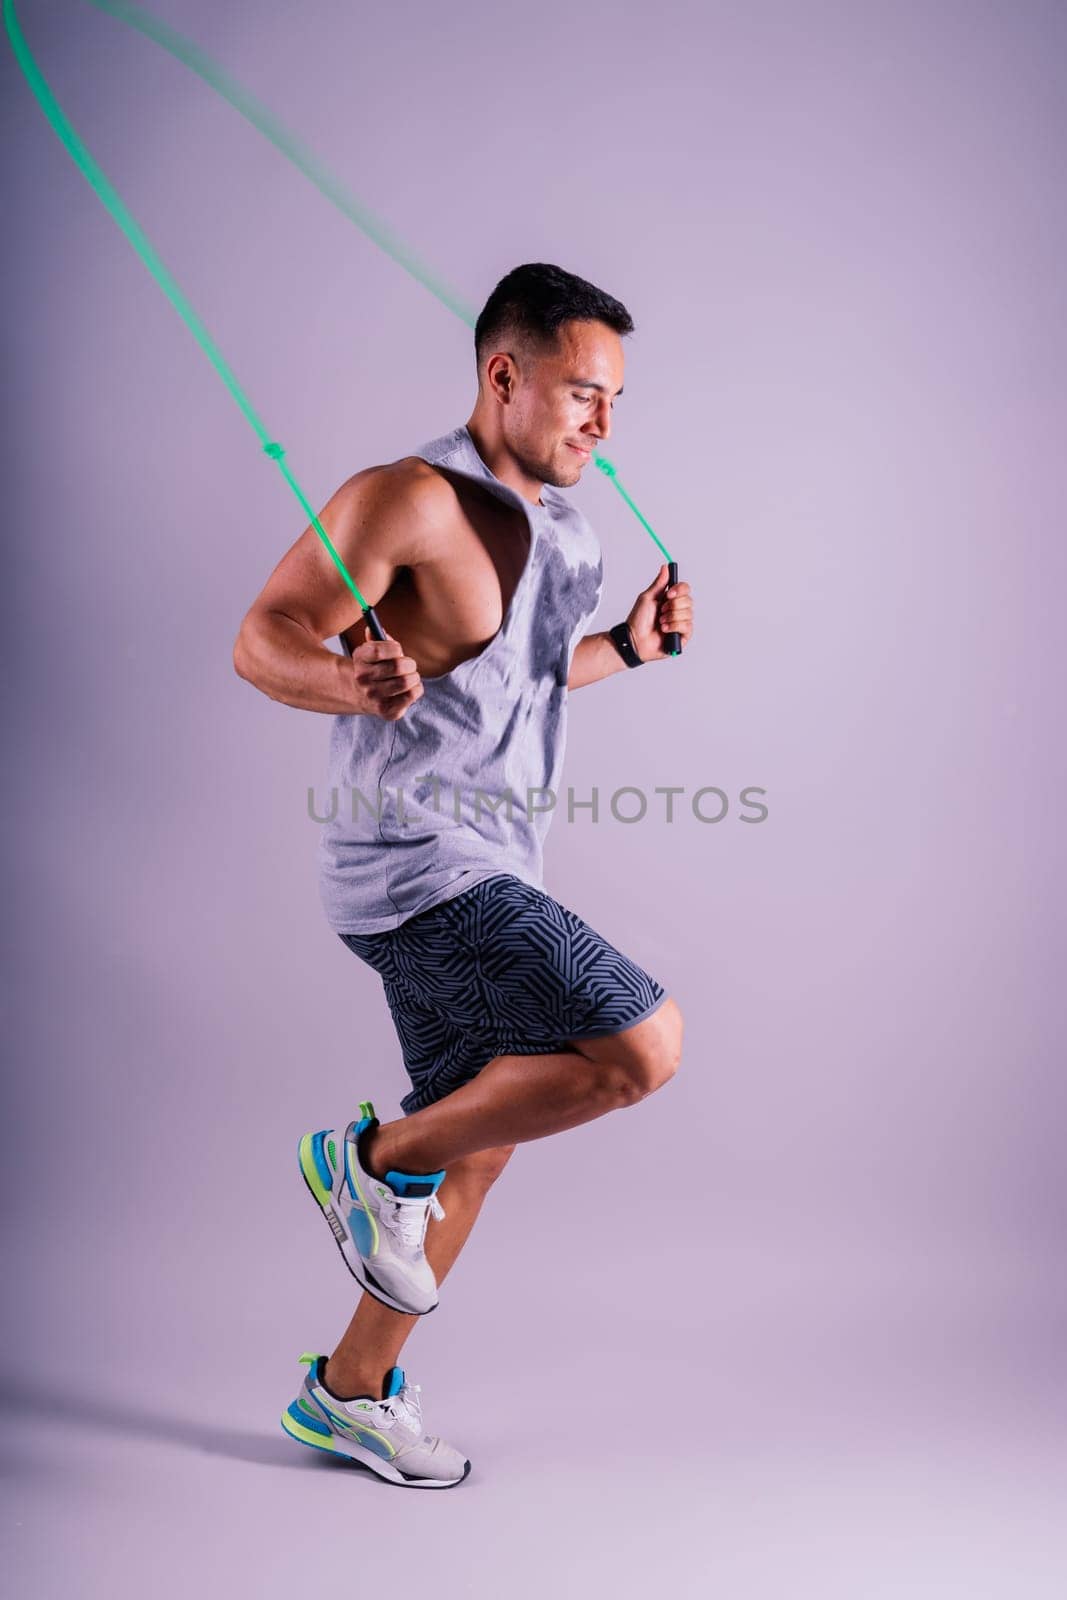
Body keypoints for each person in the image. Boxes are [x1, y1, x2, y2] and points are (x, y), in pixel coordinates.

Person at [233, 261, 694, 1488]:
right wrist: (344, 679)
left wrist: (630, 650)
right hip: (413, 864)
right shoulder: (406, 498)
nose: (603, 422)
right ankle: (368, 1162)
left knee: (477, 1144)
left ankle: (348, 1393)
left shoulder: (566, 529)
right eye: (582, 393)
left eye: (613, 400)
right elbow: (264, 633)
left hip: (490, 854)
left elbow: (521, 687)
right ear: (504, 375)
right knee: (636, 1047)